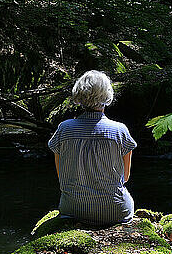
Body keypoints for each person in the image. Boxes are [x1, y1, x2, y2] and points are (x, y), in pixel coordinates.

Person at [48, 70, 137, 226]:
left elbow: (61, 175)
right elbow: (125, 177)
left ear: (79, 95)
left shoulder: (64, 129)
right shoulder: (119, 130)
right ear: (107, 95)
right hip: (115, 211)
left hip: (72, 209)